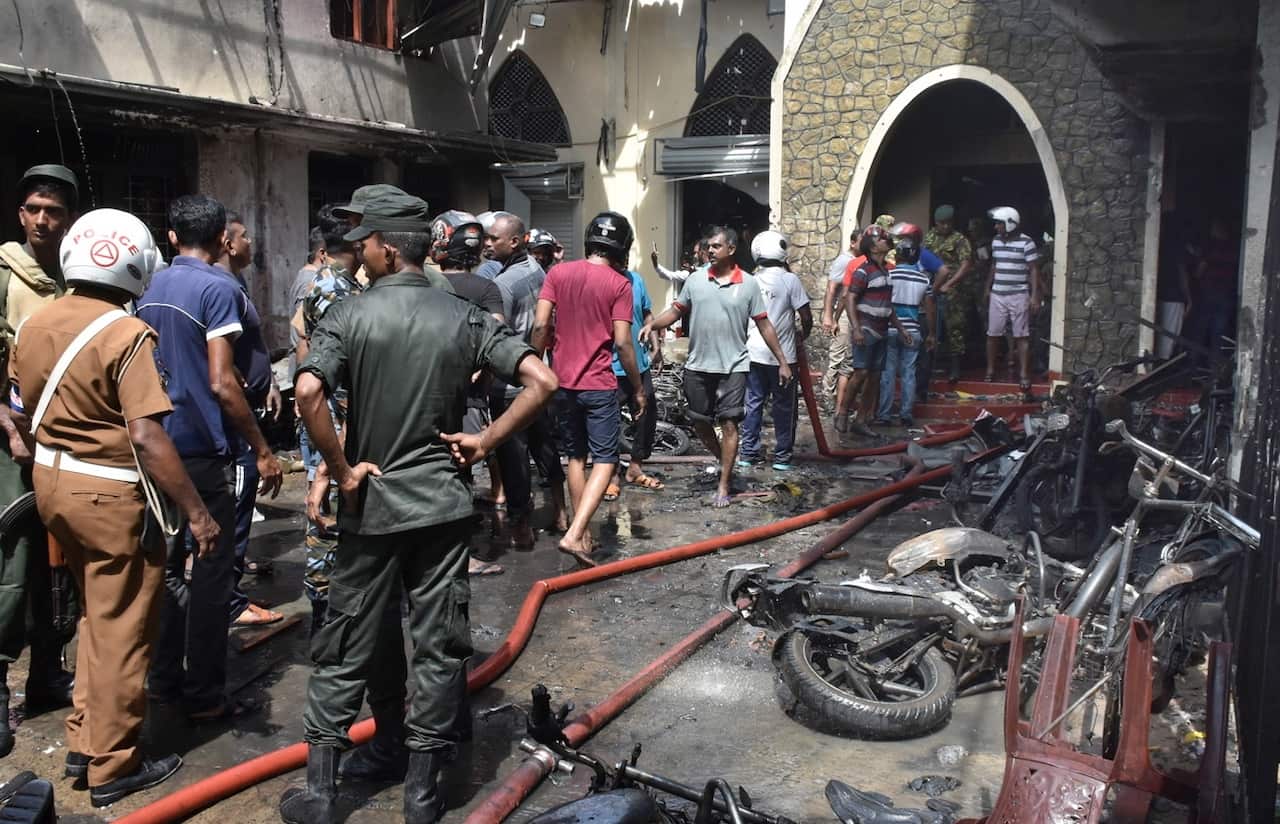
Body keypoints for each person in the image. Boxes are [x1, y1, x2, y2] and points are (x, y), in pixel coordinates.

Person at [281, 202, 559, 824]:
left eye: (364, 244)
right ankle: (425, 792)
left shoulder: (348, 314)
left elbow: (306, 391)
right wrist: (485, 443)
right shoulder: (463, 316)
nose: (358, 253)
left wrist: (340, 466)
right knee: (438, 647)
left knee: (347, 638)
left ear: (383, 247)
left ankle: (323, 795)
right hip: (441, 505)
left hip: (373, 506)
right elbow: (543, 381)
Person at [13, 208, 220, 805]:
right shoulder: (125, 333)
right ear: (137, 263)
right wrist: (198, 513)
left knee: (95, 618)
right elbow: (149, 436)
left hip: (53, 486)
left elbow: (22, 410)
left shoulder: (35, 323)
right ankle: (113, 765)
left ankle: (86, 737)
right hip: (110, 496)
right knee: (126, 627)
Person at [137, 194, 283, 723]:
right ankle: (203, 693)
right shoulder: (219, 288)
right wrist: (263, 450)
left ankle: (163, 678)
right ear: (223, 235)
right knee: (214, 569)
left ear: (172, 237)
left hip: (155, 445)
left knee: (169, 566)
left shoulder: (147, 286)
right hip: (201, 447)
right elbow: (224, 382)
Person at [0, 165, 80, 754]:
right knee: (13, 562)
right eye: (34, 209)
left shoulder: (81, 272)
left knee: (64, 564)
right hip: (16, 440)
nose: (43, 221)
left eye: (53, 211)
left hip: (72, 439)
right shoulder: (5, 272)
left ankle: (50, 674)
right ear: (21, 213)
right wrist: (6, 423)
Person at [640, 227, 791, 507]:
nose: (709, 251)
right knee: (699, 422)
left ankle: (724, 485)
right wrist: (651, 324)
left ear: (731, 249)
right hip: (698, 365)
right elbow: (675, 311)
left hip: (734, 365)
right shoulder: (696, 280)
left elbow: (764, 323)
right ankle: (724, 458)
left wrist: (782, 360)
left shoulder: (748, 284)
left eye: (716, 247)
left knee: (730, 422)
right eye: (708, 246)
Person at [532, 211, 646, 566]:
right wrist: (638, 388)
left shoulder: (557, 273)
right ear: (622, 246)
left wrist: (535, 365)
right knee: (606, 459)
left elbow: (540, 326)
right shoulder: (619, 284)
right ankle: (574, 533)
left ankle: (582, 535)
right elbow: (624, 343)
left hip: (561, 384)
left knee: (576, 458)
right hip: (598, 384)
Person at [292, 205, 362, 634]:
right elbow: (349, 370)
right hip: (336, 416)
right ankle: (328, 613)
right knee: (330, 510)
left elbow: (301, 333)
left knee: (330, 506)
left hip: (328, 411)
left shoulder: (326, 282)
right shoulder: (338, 289)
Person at [429, 210, 508, 576]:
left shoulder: (425, 285)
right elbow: (497, 335)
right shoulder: (486, 289)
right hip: (471, 397)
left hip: (426, 393)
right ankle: (460, 557)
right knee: (461, 473)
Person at [216, 213, 284, 627]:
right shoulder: (220, 287)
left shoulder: (236, 285)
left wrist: (269, 380)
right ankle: (230, 602)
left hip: (249, 408)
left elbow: (249, 346)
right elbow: (221, 365)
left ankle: (227, 589)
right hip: (235, 423)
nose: (251, 242)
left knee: (238, 508)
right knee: (235, 509)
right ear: (226, 241)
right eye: (244, 236)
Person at [487, 212, 567, 544]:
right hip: (541, 379)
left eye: (495, 239)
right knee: (545, 446)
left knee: (513, 455)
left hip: (510, 384)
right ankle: (561, 511)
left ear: (515, 241)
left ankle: (522, 526)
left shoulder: (503, 284)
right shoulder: (539, 271)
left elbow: (497, 332)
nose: (488, 244)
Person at [738, 231, 811, 471]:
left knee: (753, 404)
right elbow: (806, 315)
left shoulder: (750, 280)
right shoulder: (790, 281)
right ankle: (782, 457)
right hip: (785, 358)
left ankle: (748, 453)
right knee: (784, 407)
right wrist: (803, 334)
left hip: (753, 354)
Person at [843, 224, 913, 439]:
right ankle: (842, 412)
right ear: (873, 246)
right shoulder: (863, 270)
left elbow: (887, 305)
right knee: (861, 373)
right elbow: (850, 298)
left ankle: (862, 419)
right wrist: (856, 329)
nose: (886, 241)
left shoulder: (885, 270)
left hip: (882, 330)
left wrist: (900, 329)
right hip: (866, 327)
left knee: (874, 377)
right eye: (882, 239)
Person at [606, 263, 663, 502]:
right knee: (608, 422)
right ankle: (611, 476)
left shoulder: (636, 280)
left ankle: (635, 467)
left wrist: (656, 344)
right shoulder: (601, 280)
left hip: (639, 364)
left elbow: (647, 313)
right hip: (609, 366)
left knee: (646, 416)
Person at [874, 223, 935, 426]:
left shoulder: (888, 275)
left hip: (890, 329)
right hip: (913, 330)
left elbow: (883, 303)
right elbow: (929, 308)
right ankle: (906, 413)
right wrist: (932, 334)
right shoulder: (924, 280)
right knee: (909, 372)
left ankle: (884, 414)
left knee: (888, 373)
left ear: (898, 256)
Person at [982, 206, 1042, 396]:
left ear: (1009, 223)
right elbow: (994, 265)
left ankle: (1024, 373)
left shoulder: (1027, 243)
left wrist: (1033, 296)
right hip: (998, 294)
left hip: (1019, 294)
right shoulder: (996, 241)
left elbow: (1033, 269)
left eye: (999, 223)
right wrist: (987, 287)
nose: (996, 227)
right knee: (993, 334)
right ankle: (990, 370)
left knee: (1021, 335)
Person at [924, 205, 974, 384]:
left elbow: (966, 264)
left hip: (952, 291)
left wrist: (949, 284)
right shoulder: (929, 237)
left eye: (948, 223)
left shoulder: (960, 240)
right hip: (931, 289)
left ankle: (955, 368)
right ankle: (930, 364)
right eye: (941, 223)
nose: (944, 227)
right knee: (931, 326)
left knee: (955, 327)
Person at [1184, 216, 1239, 367]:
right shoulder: (1234, 249)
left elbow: (1200, 270)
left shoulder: (1210, 247)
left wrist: (1194, 275)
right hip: (1226, 296)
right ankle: (1214, 370)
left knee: (1199, 332)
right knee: (1219, 335)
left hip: (1207, 294)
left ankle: (1191, 367)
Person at [822, 228, 860, 429]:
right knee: (837, 356)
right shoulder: (844, 261)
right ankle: (828, 397)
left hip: (850, 314)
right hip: (842, 314)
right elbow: (832, 289)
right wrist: (830, 316)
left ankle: (838, 400)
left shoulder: (859, 261)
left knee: (848, 359)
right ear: (853, 242)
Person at [474, 211, 503, 280]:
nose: (487, 243)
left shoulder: (487, 270)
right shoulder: (528, 260)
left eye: (494, 238)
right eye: (484, 238)